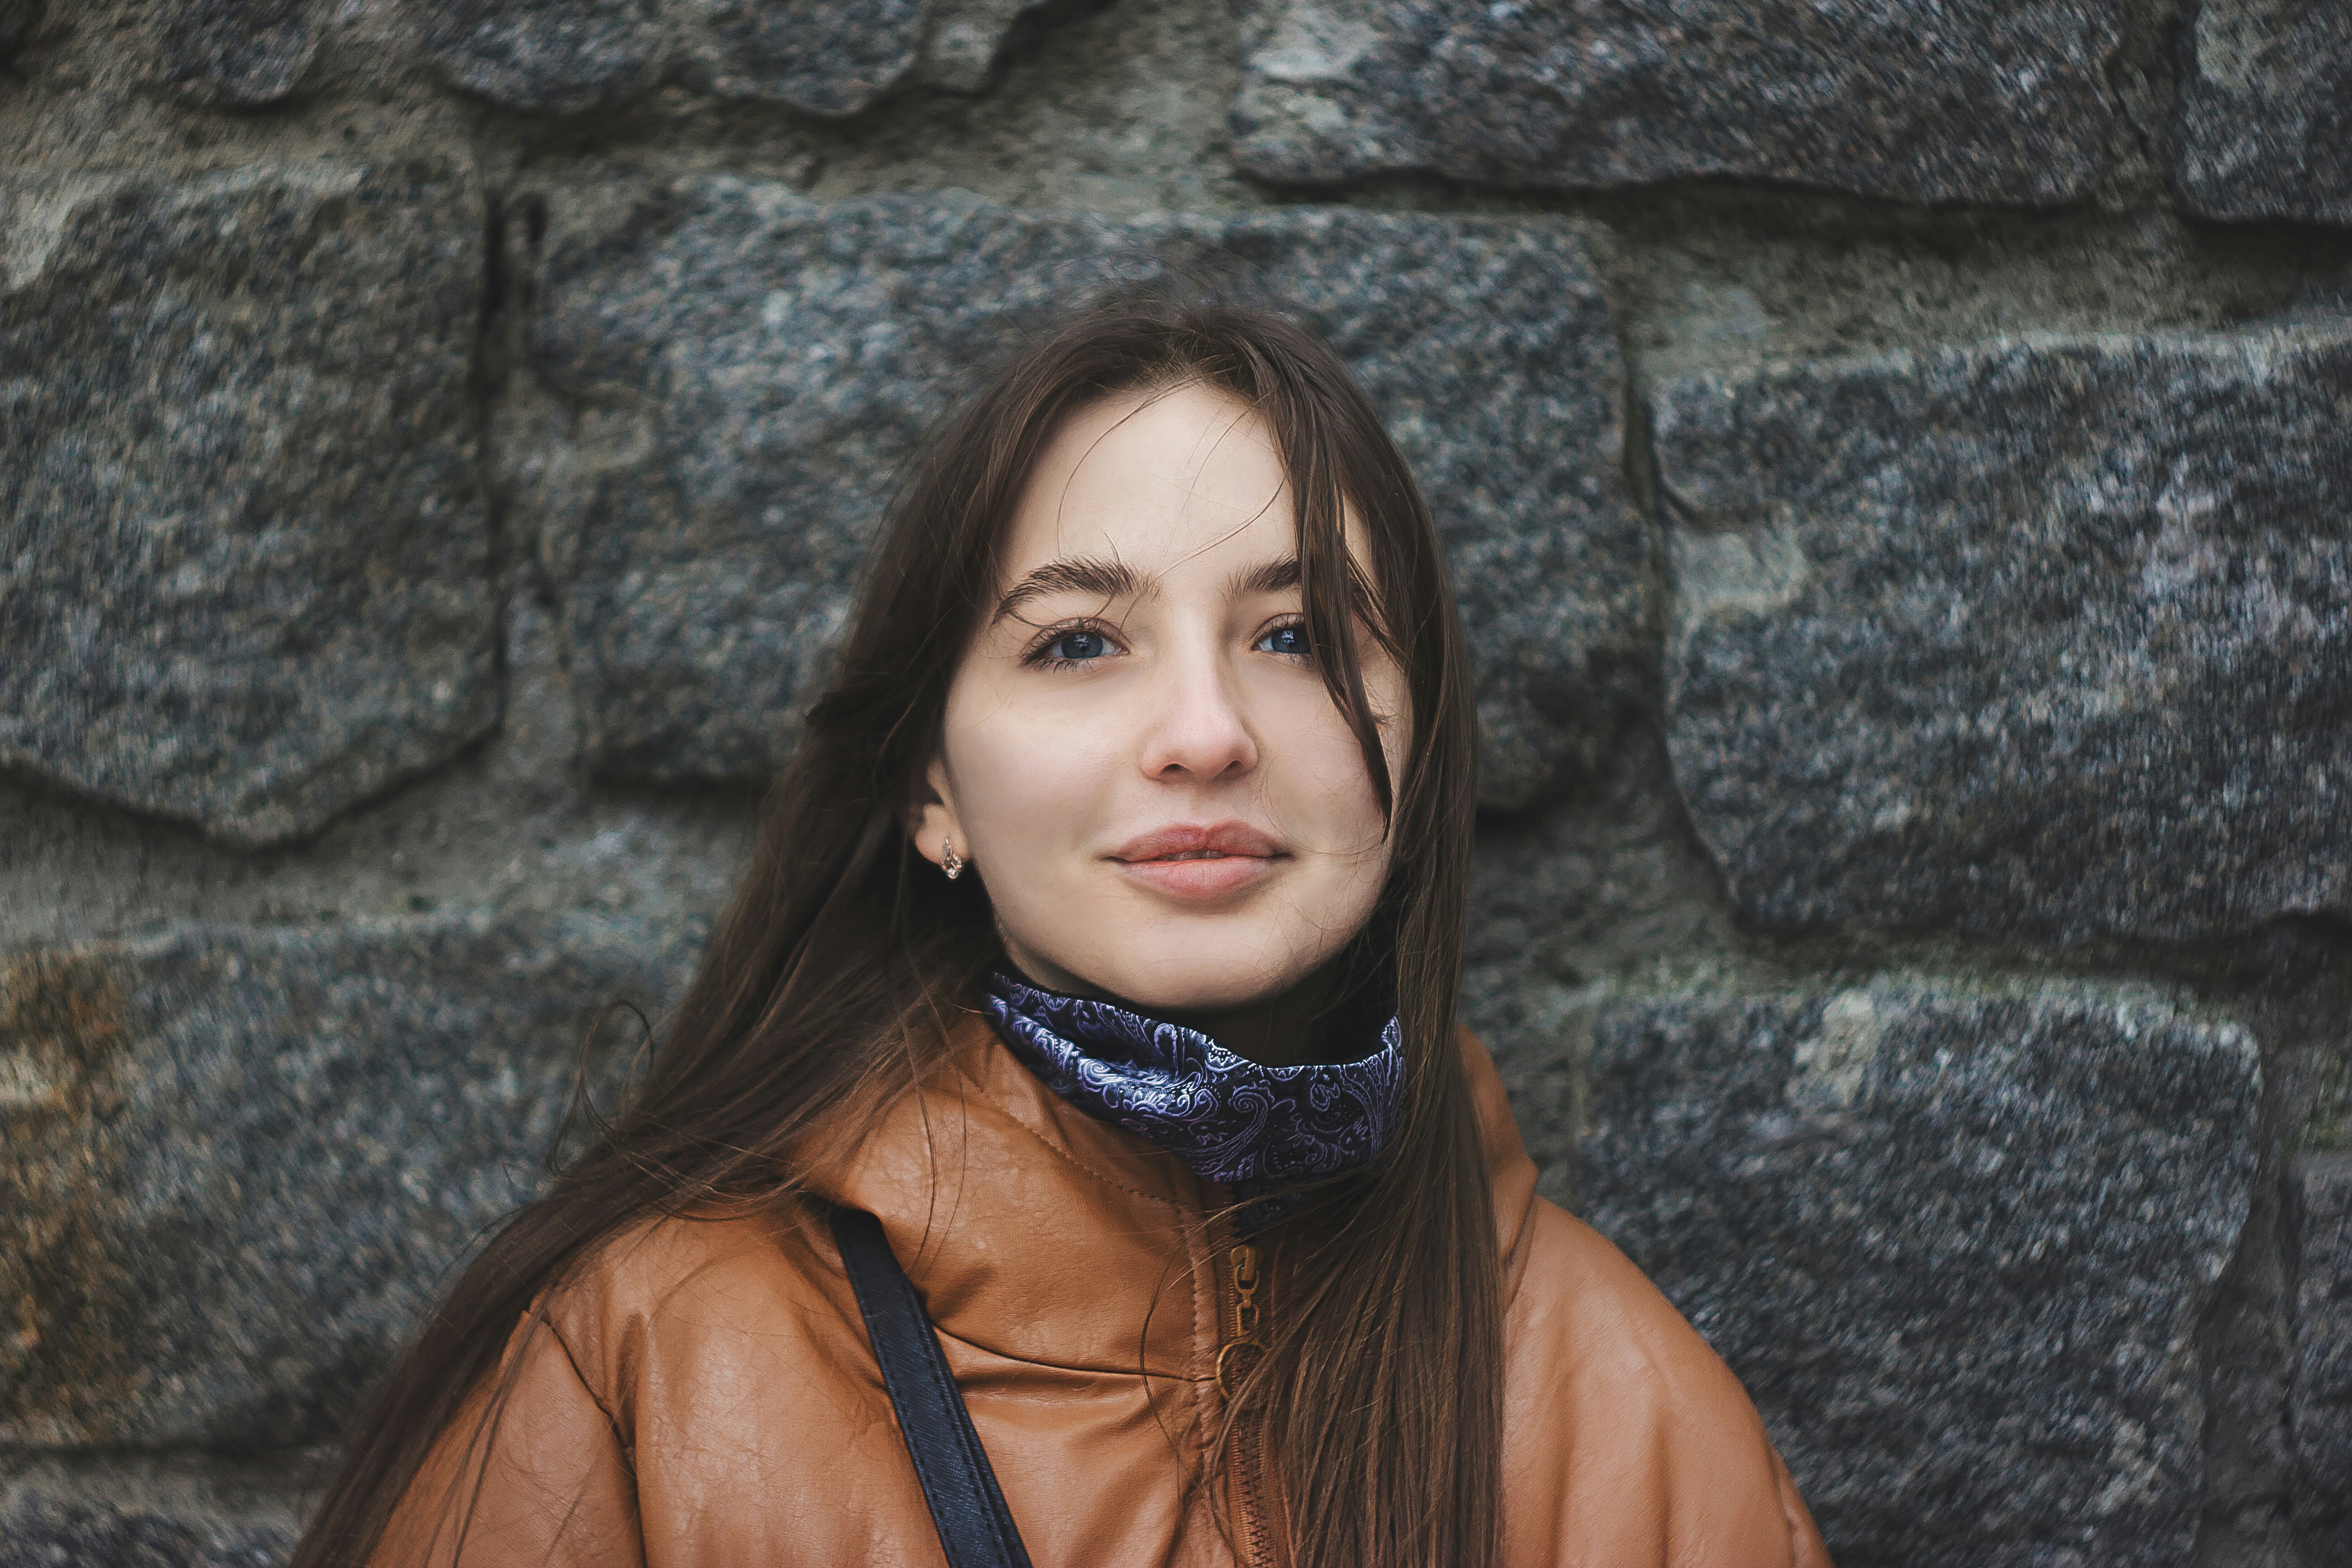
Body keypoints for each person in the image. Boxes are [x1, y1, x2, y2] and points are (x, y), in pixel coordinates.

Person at [292, 296, 1830, 1568]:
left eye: (1295, 636)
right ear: (931, 788)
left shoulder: (1621, 1406)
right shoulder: (649, 1352)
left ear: (1415, 744)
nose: (1205, 732)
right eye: (1079, 641)